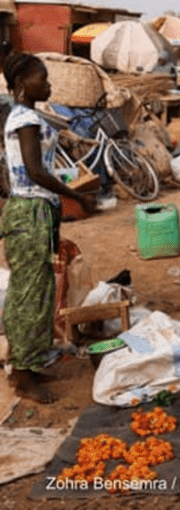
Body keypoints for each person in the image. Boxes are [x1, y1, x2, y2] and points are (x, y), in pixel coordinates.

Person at [2, 53, 97, 403]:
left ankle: (26, 364)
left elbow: (11, 171)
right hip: (29, 216)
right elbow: (36, 170)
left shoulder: (22, 116)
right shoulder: (25, 118)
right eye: (43, 79)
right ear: (23, 84)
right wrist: (77, 197)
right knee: (29, 297)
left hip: (31, 212)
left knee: (37, 292)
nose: (48, 85)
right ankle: (23, 379)